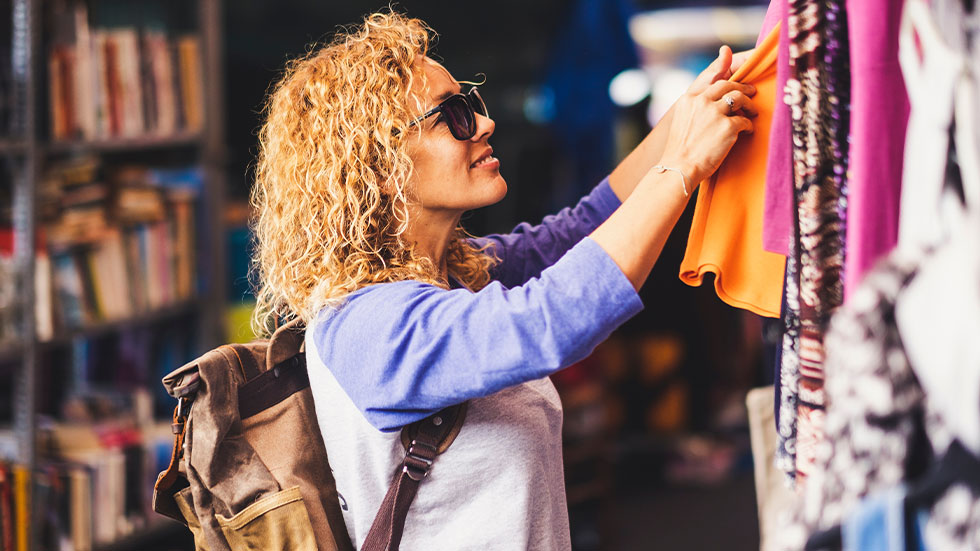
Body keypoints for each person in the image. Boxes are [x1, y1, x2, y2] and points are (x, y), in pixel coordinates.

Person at [250, 10, 756, 550]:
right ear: (376, 163)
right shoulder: (368, 326)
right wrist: (681, 166)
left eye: (472, 105)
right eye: (453, 116)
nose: (485, 124)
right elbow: (551, 320)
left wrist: (689, 111)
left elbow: (585, 226)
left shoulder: (452, 275)